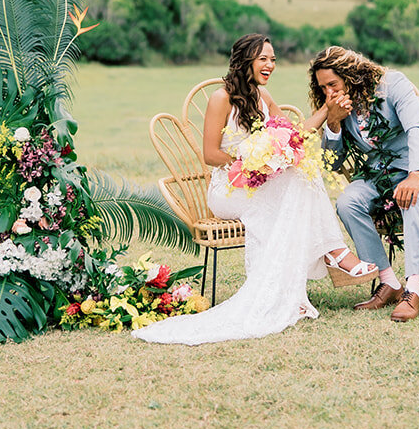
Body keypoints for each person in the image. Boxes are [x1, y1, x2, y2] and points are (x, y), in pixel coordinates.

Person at [138, 34, 376, 345]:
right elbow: (210, 155)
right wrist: (249, 163)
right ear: (245, 59)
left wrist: (326, 110)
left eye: (273, 59)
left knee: (302, 171)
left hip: (257, 183)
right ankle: (334, 253)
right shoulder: (220, 99)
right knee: (295, 179)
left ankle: (303, 285)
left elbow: (294, 135)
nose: (270, 65)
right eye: (264, 58)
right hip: (227, 189)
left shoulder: (264, 97)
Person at [308, 45, 419, 323]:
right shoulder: (340, 107)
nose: (329, 94)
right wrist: (334, 125)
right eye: (323, 88)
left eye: (332, 84)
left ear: (350, 75)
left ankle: (414, 290)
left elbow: (418, 130)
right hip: (378, 175)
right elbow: (333, 164)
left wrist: (415, 175)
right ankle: (389, 282)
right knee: (348, 202)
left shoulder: (393, 84)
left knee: (414, 198)